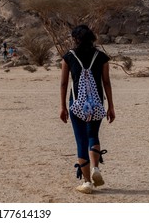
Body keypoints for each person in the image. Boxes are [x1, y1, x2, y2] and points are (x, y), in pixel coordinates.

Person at [60, 25, 115, 194]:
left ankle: (87, 182)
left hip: (76, 104)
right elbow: (106, 82)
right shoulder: (101, 57)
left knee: (81, 140)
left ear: (75, 39)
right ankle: (96, 168)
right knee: (93, 135)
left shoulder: (69, 57)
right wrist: (111, 106)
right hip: (97, 104)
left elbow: (63, 83)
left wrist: (63, 106)